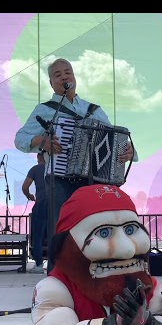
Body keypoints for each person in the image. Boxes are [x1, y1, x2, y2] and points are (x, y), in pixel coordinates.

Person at [31, 184, 162, 325]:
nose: (127, 249)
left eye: (130, 230)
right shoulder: (55, 289)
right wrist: (115, 324)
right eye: (104, 233)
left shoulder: (154, 291)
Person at [14, 58, 137, 272]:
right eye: (58, 74)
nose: (64, 76)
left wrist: (130, 151)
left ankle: (91, 275)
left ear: (74, 77)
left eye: (67, 72)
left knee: (93, 227)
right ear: (51, 83)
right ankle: (57, 278)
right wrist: (42, 142)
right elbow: (20, 138)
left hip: (92, 181)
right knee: (61, 230)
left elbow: (115, 138)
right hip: (59, 179)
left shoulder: (93, 110)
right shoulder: (44, 110)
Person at [22, 152, 47, 274]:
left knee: (38, 235)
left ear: (38, 158)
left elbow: (25, 187)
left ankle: (38, 265)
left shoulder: (35, 169)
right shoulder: (54, 169)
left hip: (41, 204)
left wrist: (30, 196)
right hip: (55, 204)